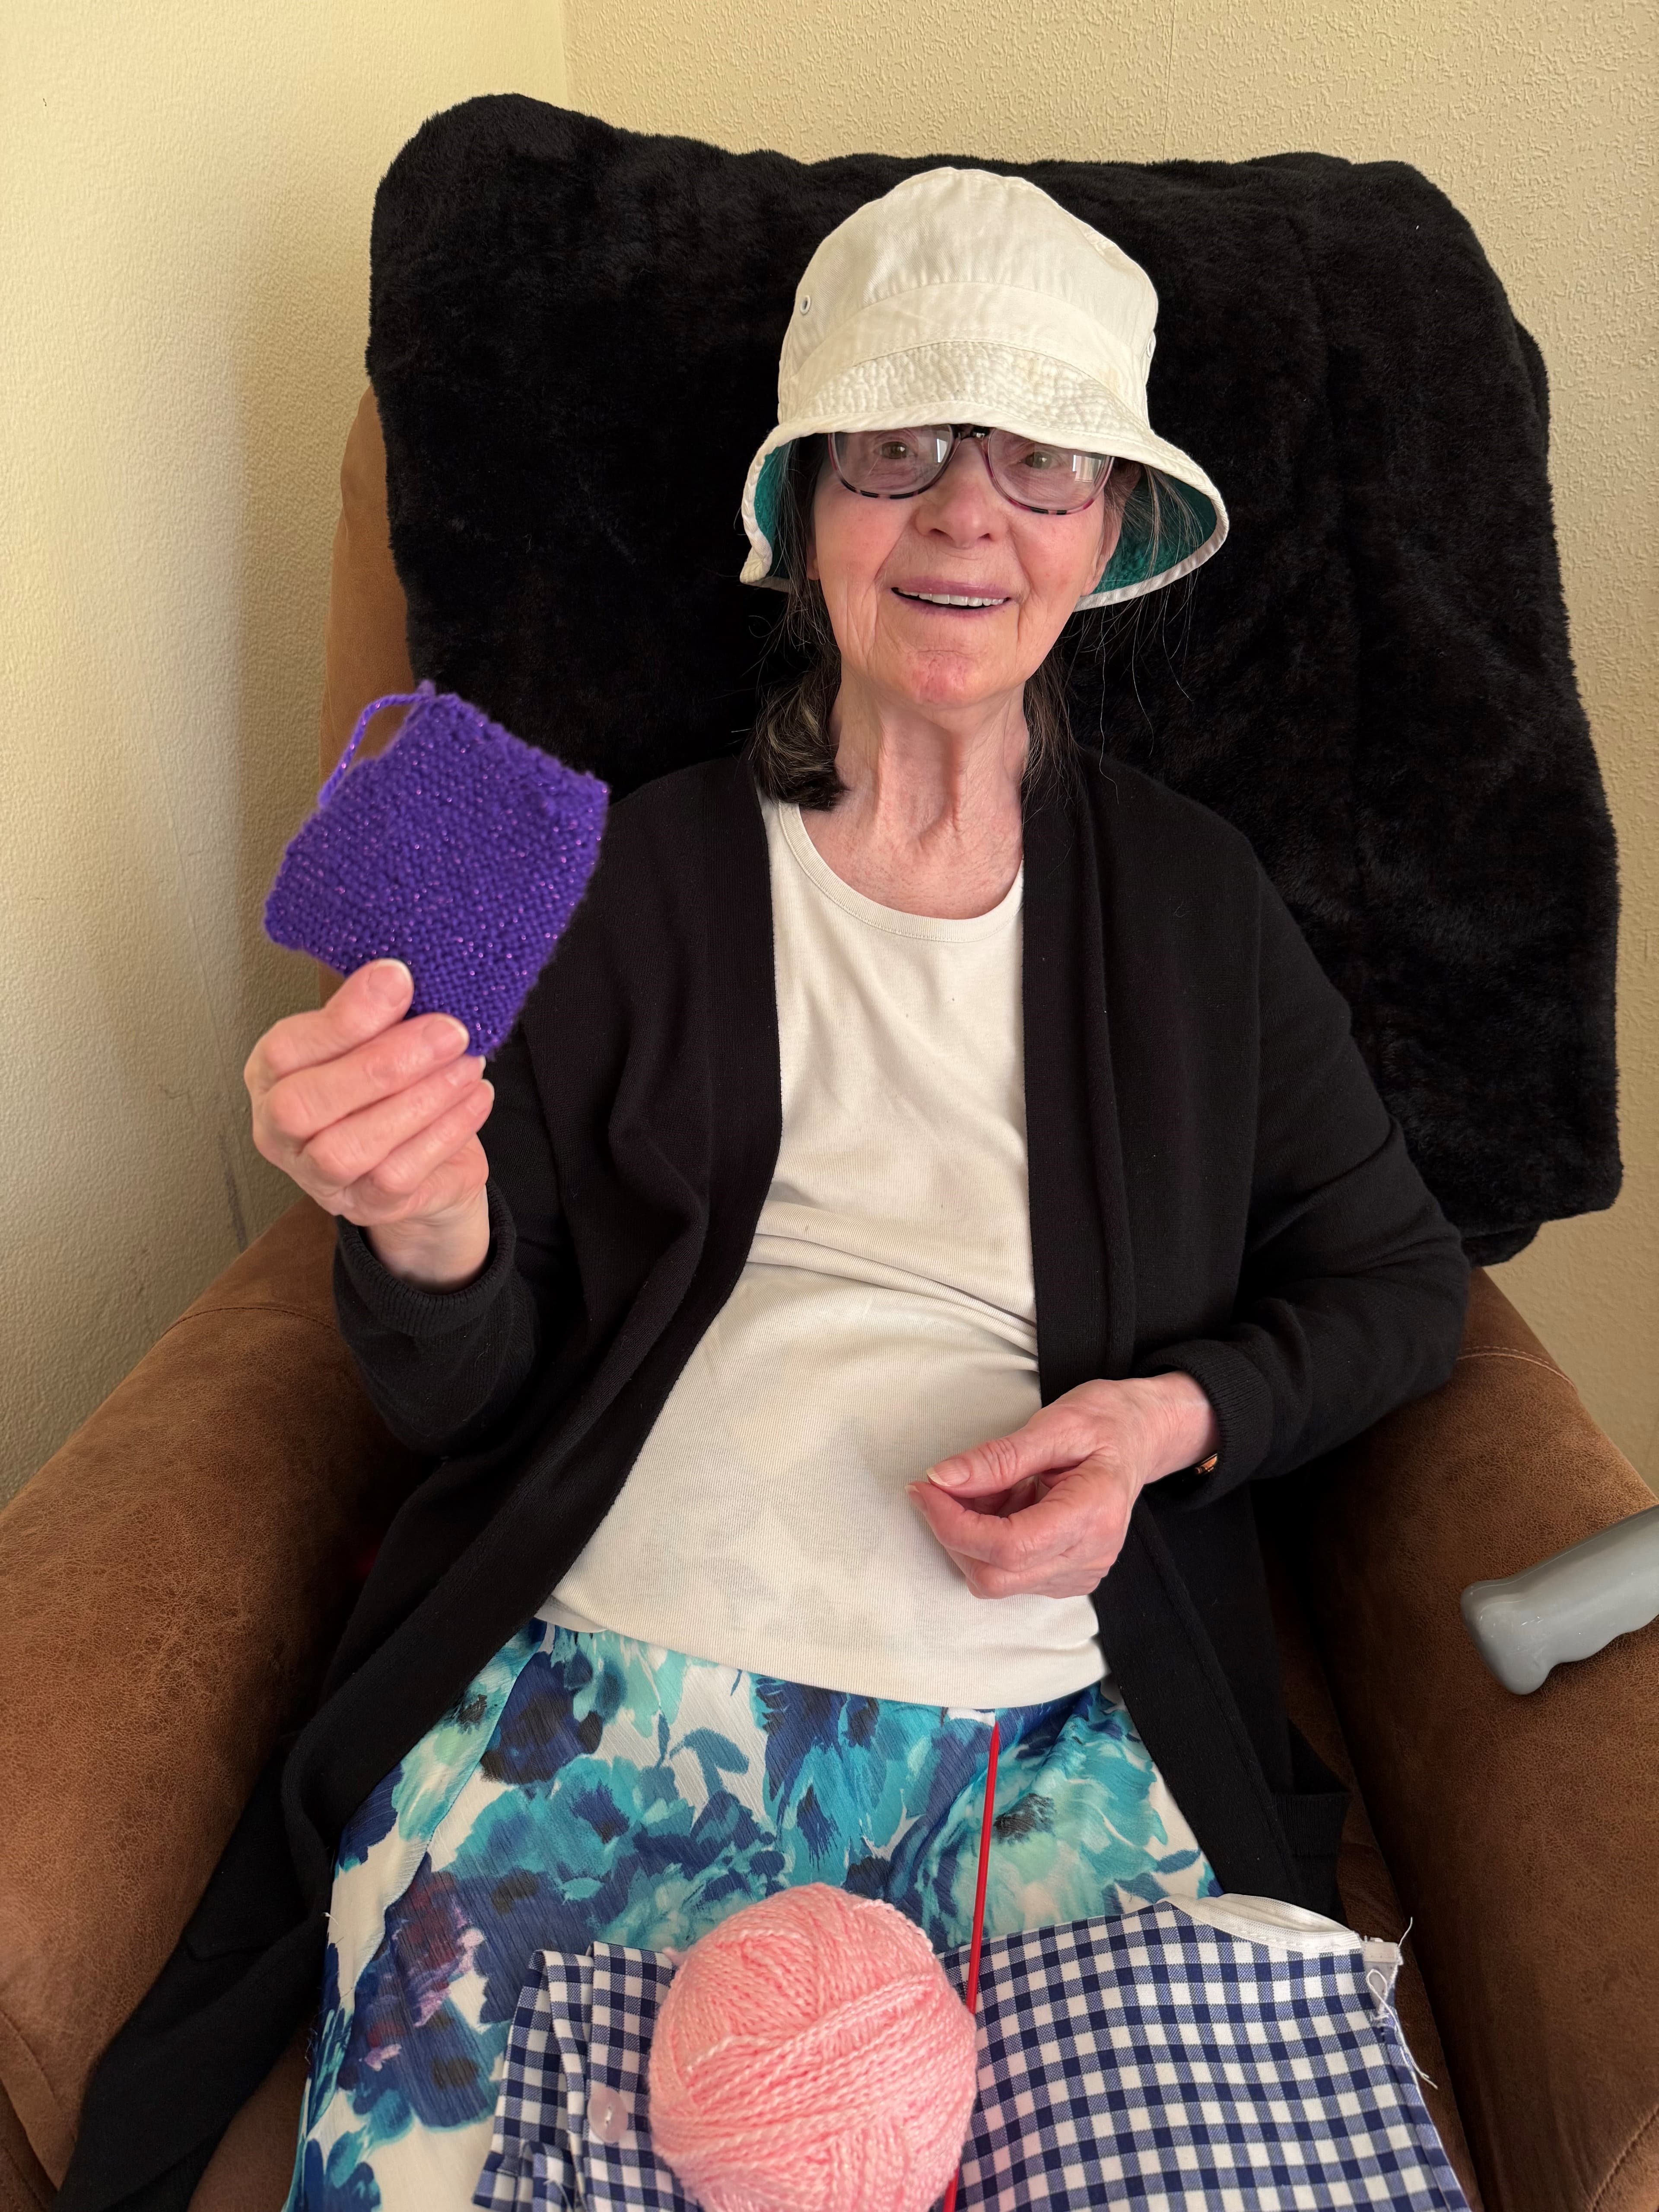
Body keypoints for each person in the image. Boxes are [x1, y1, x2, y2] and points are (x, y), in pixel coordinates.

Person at [95, 168, 1472, 2212]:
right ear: (805, 505)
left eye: (1039, 457)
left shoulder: (1193, 905)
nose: (964, 513)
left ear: (1112, 530)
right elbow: (470, 1390)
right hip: (598, 1703)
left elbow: (1399, 1283)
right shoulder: (625, 876)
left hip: (1050, 1737)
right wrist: (421, 1221)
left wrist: (1161, 1421)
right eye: (896, 445)